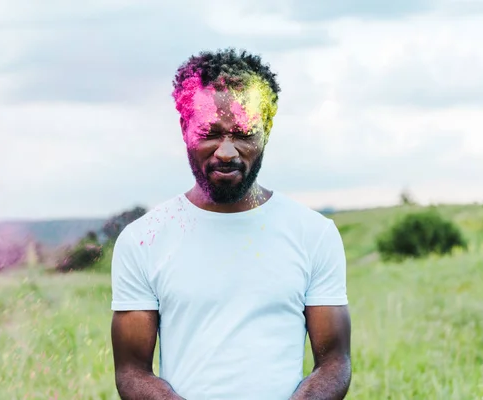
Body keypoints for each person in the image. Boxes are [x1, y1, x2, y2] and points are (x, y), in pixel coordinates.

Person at [110, 48, 352, 400]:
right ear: (185, 128)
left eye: (243, 133)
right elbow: (131, 371)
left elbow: (334, 363)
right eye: (210, 132)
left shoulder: (314, 234)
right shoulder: (143, 240)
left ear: (266, 130)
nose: (226, 151)